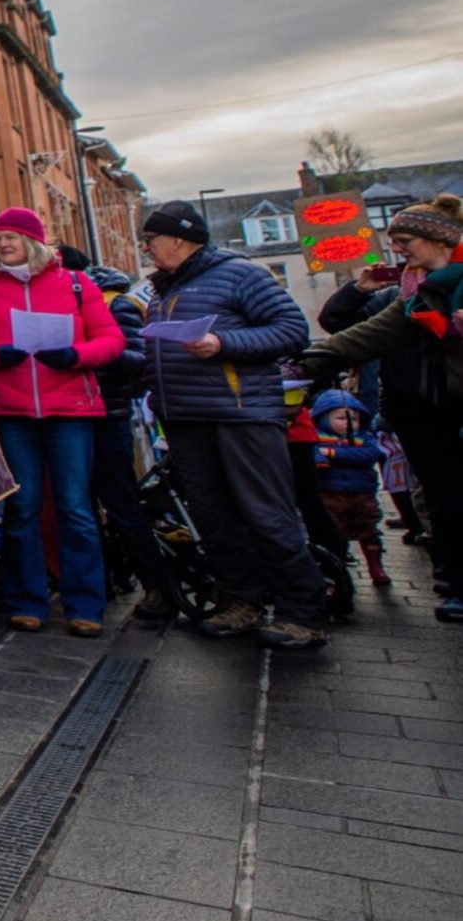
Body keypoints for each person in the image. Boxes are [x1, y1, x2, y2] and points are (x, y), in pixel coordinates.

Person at [137, 200, 329, 649]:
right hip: (184, 418)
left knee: (266, 512)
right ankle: (241, 601)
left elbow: (291, 330)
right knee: (213, 516)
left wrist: (223, 342)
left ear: (179, 240)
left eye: (152, 239)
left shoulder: (240, 274)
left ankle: (302, 612)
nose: (147, 248)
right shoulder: (163, 288)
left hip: (240, 415)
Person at [0, 208, 123, 636]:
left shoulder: (75, 283)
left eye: (11, 237)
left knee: (75, 507)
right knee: (22, 508)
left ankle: (85, 602)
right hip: (13, 410)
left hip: (70, 408)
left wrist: (76, 356)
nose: (3, 245)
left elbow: (111, 339)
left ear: (33, 241)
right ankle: (27, 599)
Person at [304, 193, 463, 622]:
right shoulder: (414, 293)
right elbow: (364, 332)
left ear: (442, 241)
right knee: (444, 497)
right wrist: (308, 360)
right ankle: (454, 585)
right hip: (423, 410)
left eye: (406, 239)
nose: (398, 248)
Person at [56, 246, 170, 622]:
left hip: (107, 413)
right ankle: (98, 582)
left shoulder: (114, 303)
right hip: (63, 413)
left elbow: (136, 360)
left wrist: (85, 351)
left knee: (120, 502)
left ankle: (156, 585)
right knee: (76, 505)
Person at [310, 389, 392, 587]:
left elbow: (370, 455)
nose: (348, 423)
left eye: (354, 419)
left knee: (369, 529)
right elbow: (312, 456)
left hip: (362, 494)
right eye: (341, 418)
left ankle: (375, 564)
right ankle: (339, 564)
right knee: (336, 530)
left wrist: (332, 453)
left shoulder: (365, 438)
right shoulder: (316, 439)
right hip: (330, 492)